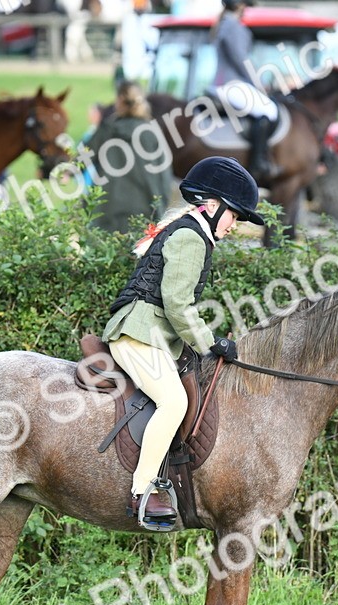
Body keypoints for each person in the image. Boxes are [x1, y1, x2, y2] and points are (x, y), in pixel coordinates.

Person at [102, 156, 264, 528]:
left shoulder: (191, 231)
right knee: (174, 402)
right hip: (139, 333)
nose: (235, 225)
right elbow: (177, 303)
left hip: (152, 334)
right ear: (210, 205)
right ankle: (143, 491)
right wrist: (210, 343)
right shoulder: (190, 237)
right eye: (234, 215)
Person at [85, 82, 173, 233]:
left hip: (106, 211)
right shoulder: (151, 132)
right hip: (144, 213)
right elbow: (164, 176)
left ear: (119, 100)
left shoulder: (106, 129)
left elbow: (82, 158)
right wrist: (161, 209)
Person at [212, 0, 278, 183]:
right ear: (240, 6)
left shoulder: (224, 24)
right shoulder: (234, 26)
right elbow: (241, 60)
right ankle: (257, 163)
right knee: (269, 110)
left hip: (224, 83)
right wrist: (259, 84)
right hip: (230, 84)